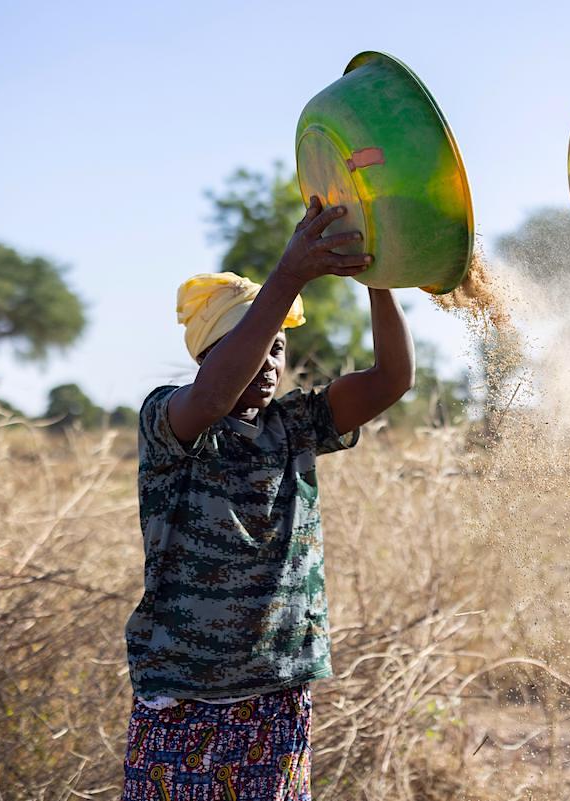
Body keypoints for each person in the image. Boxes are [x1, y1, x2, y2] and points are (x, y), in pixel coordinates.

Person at [122, 196, 414, 800]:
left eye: (279, 346)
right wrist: (288, 276)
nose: (271, 359)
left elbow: (392, 379)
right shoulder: (171, 422)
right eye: (254, 344)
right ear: (208, 356)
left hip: (275, 697)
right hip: (183, 700)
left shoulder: (296, 424)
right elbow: (210, 397)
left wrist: (377, 281)